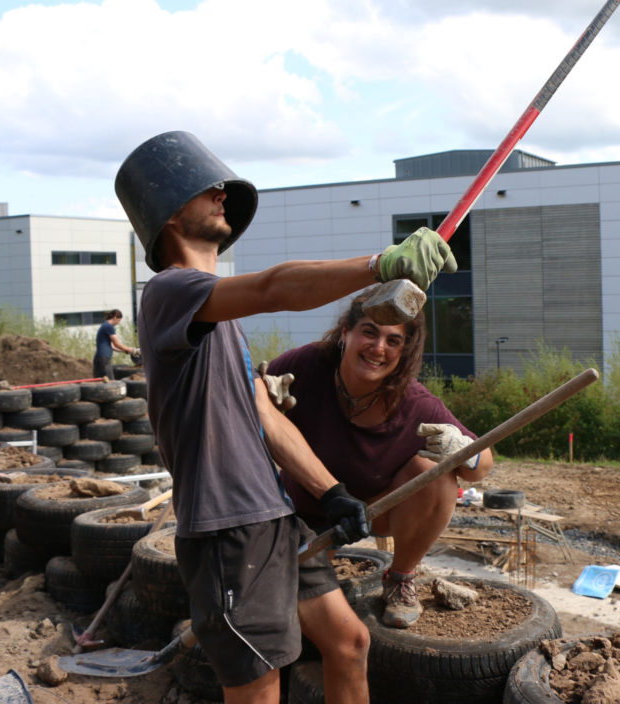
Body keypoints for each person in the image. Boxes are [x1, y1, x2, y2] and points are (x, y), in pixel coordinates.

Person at [115, 130, 456, 704]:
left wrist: (332, 494)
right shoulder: (170, 293)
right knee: (259, 690)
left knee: (348, 643)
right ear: (169, 214)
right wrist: (381, 264)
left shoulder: (219, 318)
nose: (223, 194)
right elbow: (276, 286)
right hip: (227, 530)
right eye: (208, 189)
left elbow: (266, 419)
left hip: (273, 519)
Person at [264, 288, 492, 628]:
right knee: (279, 610)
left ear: (404, 351)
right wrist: (259, 396)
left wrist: (462, 450)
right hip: (302, 512)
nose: (378, 348)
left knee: (437, 471)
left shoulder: (415, 403)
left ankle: (400, 578)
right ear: (346, 332)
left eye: (393, 340)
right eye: (369, 332)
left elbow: (482, 465)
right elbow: (244, 396)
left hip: (374, 511)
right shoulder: (305, 366)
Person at [92, 309, 136, 379]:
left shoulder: (104, 325)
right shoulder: (109, 327)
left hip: (100, 358)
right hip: (104, 359)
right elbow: (117, 344)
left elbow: (112, 346)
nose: (118, 323)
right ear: (115, 317)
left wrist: (124, 351)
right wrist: (132, 350)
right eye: (119, 320)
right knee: (111, 382)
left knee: (99, 381)